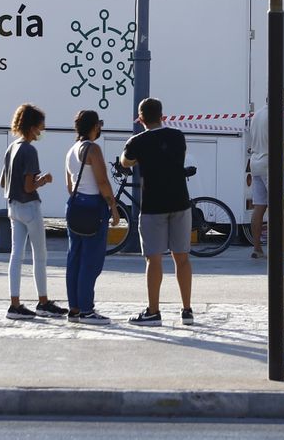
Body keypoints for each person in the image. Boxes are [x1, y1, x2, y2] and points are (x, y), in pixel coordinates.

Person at [119, 97, 194, 326]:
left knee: (153, 259)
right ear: (162, 115)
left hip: (153, 206)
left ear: (141, 118)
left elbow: (125, 162)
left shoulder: (137, 141)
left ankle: (153, 311)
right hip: (180, 202)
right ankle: (187, 310)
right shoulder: (177, 136)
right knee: (182, 258)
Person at [1, 103, 66, 320]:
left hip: (13, 207)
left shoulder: (11, 148)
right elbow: (29, 186)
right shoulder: (29, 150)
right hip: (30, 206)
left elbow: (3, 181)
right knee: (40, 255)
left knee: (16, 255)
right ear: (31, 127)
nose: (41, 132)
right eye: (39, 127)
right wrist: (44, 180)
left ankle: (15, 304)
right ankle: (43, 301)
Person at [64, 109, 119, 324]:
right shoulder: (93, 149)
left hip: (75, 206)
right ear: (94, 126)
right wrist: (113, 208)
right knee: (91, 261)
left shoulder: (71, 150)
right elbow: (103, 182)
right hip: (94, 208)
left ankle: (75, 309)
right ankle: (87, 310)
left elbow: (69, 185)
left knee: (74, 259)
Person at [244, 88, 284, 261]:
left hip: (255, 163)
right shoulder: (278, 115)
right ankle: (283, 248)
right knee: (280, 209)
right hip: (272, 165)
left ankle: (257, 248)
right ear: (282, 101)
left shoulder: (257, 115)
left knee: (259, 207)